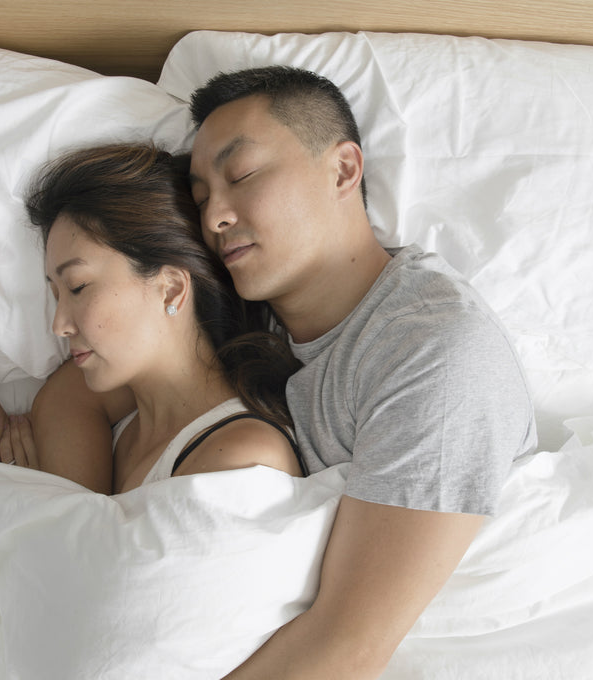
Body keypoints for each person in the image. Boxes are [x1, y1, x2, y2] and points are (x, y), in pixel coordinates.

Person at [183, 66, 538, 678]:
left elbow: (349, 647)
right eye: (199, 198)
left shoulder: (433, 349)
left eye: (240, 176)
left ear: (344, 170)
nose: (214, 216)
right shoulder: (240, 325)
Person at [0, 143, 304, 495]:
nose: (59, 325)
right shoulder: (88, 401)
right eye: (56, 294)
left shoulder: (243, 460)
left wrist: (49, 506)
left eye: (77, 287)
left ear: (170, 289)